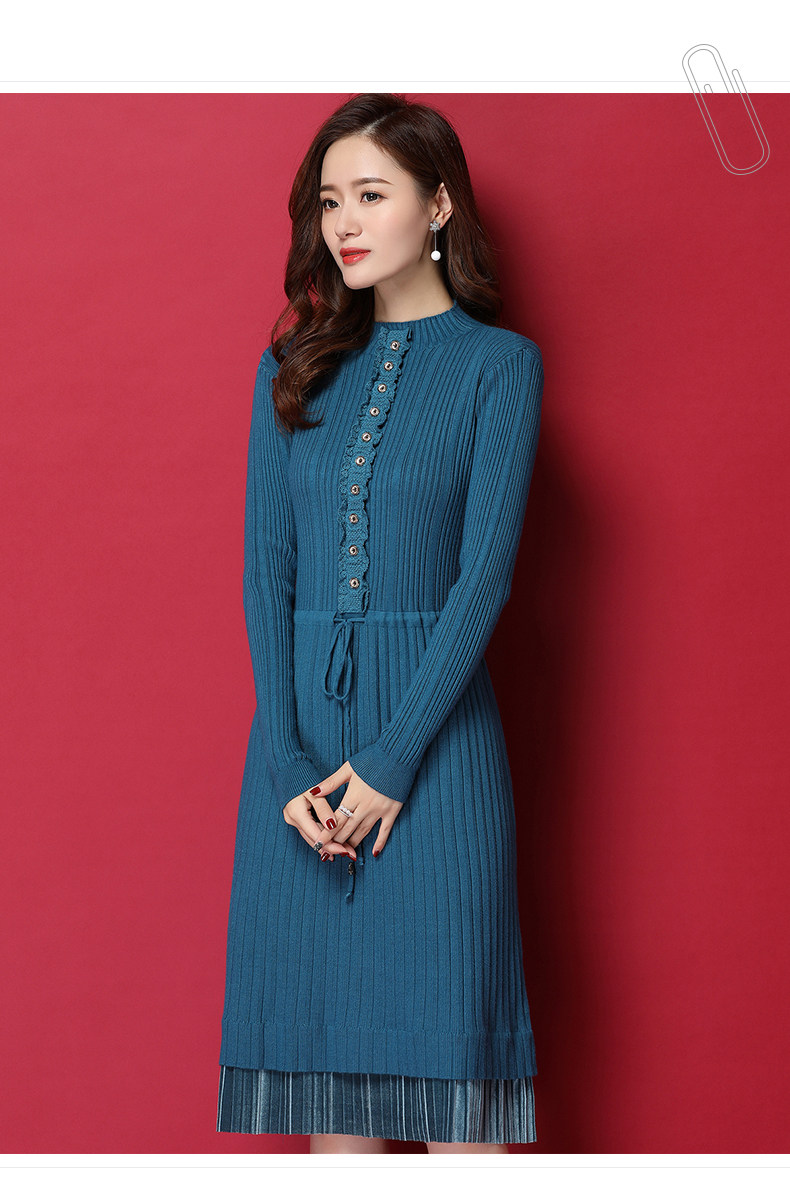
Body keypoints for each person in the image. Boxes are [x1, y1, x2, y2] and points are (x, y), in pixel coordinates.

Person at [216, 92, 545, 1154]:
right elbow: (266, 578)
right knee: (336, 1120)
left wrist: (395, 760)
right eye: (328, 201)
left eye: (370, 194)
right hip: (301, 770)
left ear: (438, 204)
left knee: (460, 1103)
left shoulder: (500, 366)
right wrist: (286, 765)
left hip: (437, 752)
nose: (343, 224)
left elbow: (483, 581)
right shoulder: (291, 367)